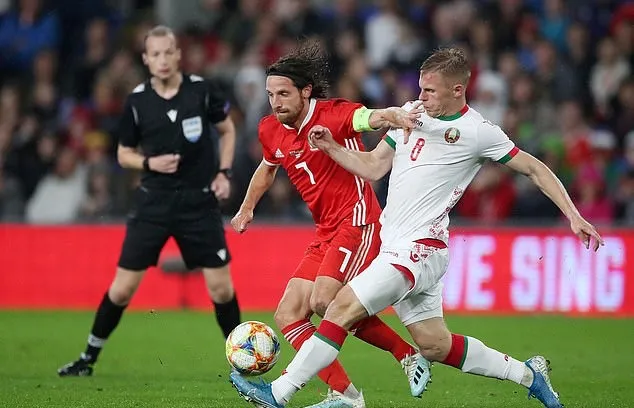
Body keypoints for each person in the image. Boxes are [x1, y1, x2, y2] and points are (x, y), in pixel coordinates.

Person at [230, 47, 605, 408]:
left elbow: (534, 168)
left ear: (457, 90)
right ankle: (529, 375)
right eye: (420, 88)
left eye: (429, 90)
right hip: (400, 245)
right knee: (435, 346)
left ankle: (280, 393)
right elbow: (374, 166)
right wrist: (331, 148)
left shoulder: (479, 131)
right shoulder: (414, 114)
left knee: (337, 306)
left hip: (418, 247)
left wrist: (573, 214)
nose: (420, 97)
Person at [230, 41, 428, 408]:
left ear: (305, 92)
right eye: (271, 94)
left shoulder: (333, 114)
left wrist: (395, 116)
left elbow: (370, 117)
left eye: (284, 94)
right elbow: (267, 168)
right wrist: (246, 209)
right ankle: (346, 395)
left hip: (357, 219)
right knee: (288, 314)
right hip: (325, 229)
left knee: (325, 301)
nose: (276, 102)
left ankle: (407, 355)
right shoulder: (271, 129)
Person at [58, 25, 241, 376]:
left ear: (177, 55)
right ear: (145, 59)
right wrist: (148, 163)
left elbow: (227, 130)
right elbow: (123, 153)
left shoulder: (201, 91)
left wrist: (224, 173)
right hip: (153, 204)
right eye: (153, 54)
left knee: (221, 289)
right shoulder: (138, 101)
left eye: (167, 52)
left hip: (198, 202)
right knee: (123, 289)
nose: (161, 59)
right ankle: (88, 358)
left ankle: (241, 360)